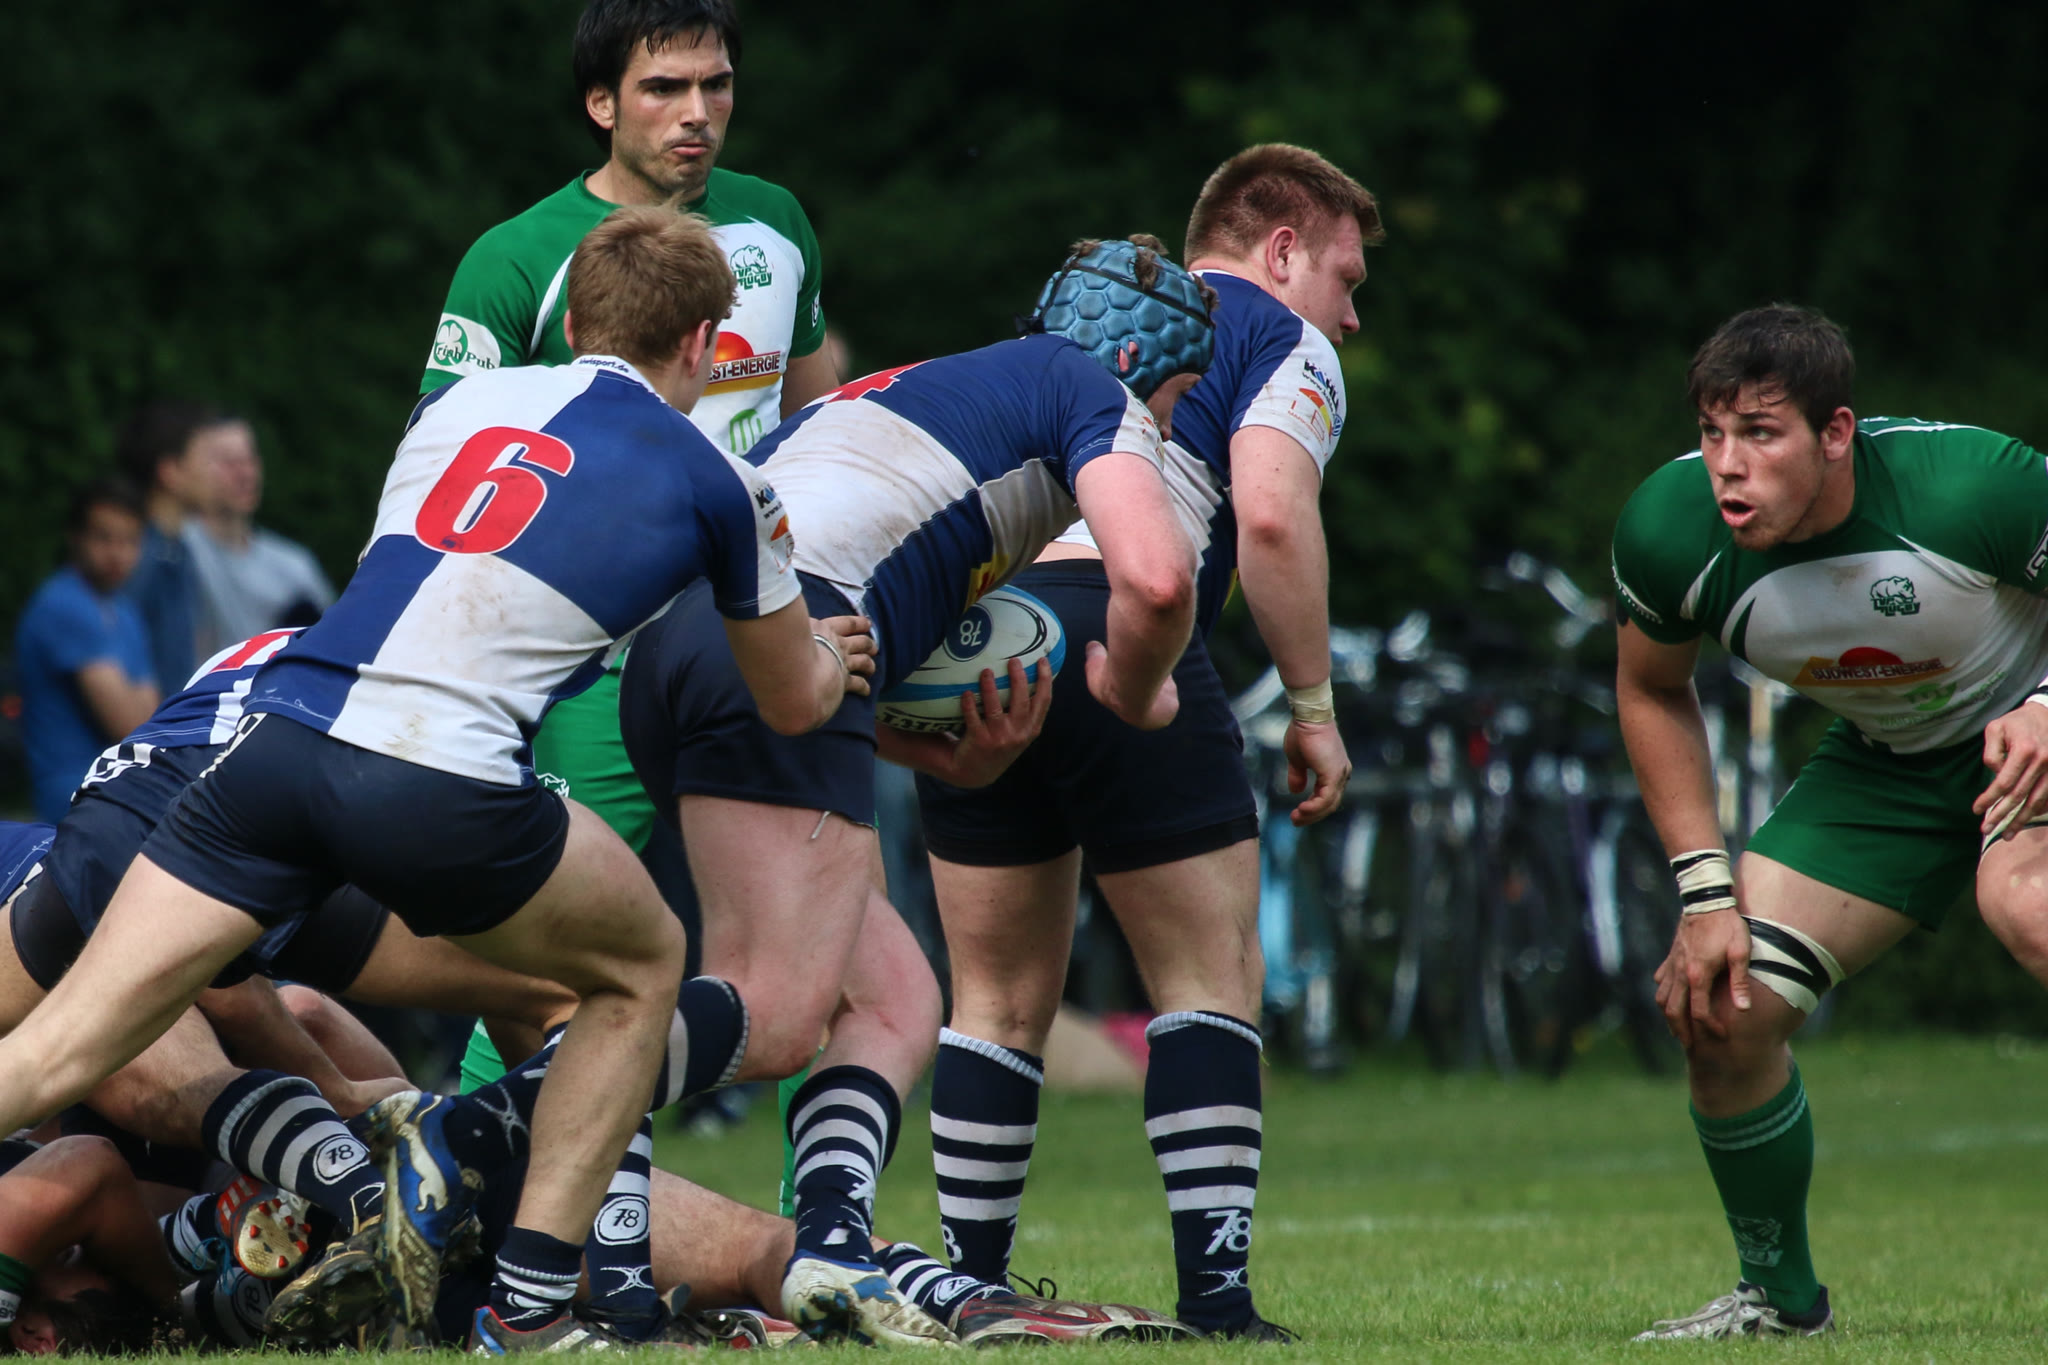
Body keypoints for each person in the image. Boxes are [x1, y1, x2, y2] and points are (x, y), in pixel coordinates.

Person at [0, 206, 874, 1355]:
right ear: (709, 347)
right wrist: (834, 655)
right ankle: (531, 1306)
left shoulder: (457, 407)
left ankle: (462, 1210)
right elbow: (791, 702)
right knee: (643, 964)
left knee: (58, 1046)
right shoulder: (725, 481)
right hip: (432, 772)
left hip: (271, 742)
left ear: (571, 324)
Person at [619, 234, 1207, 1339]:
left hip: (688, 649)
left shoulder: (916, 397)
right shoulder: (1088, 385)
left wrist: (941, 757)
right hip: (785, 631)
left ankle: (832, 1242)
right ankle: (481, 1134)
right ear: (1134, 357)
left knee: (893, 998)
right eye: (1175, 402)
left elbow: (842, 606)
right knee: (776, 1010)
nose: (1167, 432)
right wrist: (1134, 686)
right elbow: (1158, 577)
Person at [910, 145, 1380, 1342]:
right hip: (1118, 617)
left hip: (978, 627)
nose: (1349, 314)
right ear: (1281, 250)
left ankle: (971, 1290)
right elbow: (1267, 515)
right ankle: (1216, 1302)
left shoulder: (1080, 320)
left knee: (993, 998)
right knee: (1208, 980)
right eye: (1345, 277)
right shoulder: (1274, 333)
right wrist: (1312, 707)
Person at [1613, 303, 2048, 1339]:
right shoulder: (1670, 530)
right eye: (1712, 432)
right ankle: (1779, 1302)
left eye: (1761, 433)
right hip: (1889, 766)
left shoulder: (1967, 485)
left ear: (1836, 433)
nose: (1727, 466)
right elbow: (1650, 689)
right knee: (1721, 1006)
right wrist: (1704, 894)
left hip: (2031, 721)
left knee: (2023, 900)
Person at [421, 0, 839, 864]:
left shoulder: (777, 222)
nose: (697, 112)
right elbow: (444, 471)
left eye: (716, 85)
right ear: (601, 103)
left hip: (756, 631)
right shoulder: (516, 257)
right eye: (664, 88)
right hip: (591, 648)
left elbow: (821, 429)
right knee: (559, 925)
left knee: (808, 914)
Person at [15, 481, 159, 822]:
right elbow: (131, 726)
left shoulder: (125, 611)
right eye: (103, 538)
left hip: (117, 794)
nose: (117, 553)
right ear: (75, 537)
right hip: (76, 801)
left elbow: (150, 719)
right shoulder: (64, 605)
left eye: (129, 540)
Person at [178, 414, 335, 657]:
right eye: (229, 463)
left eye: (249, 460)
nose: (245, 474)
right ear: (193, 468)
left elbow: (333, 643)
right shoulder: (175, 551)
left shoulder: (296, 566)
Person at [114, 400, 223, 692]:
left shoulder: (178, 550)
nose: (218, 473)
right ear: (170, 471)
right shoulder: (137, 558)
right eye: (209, 460)